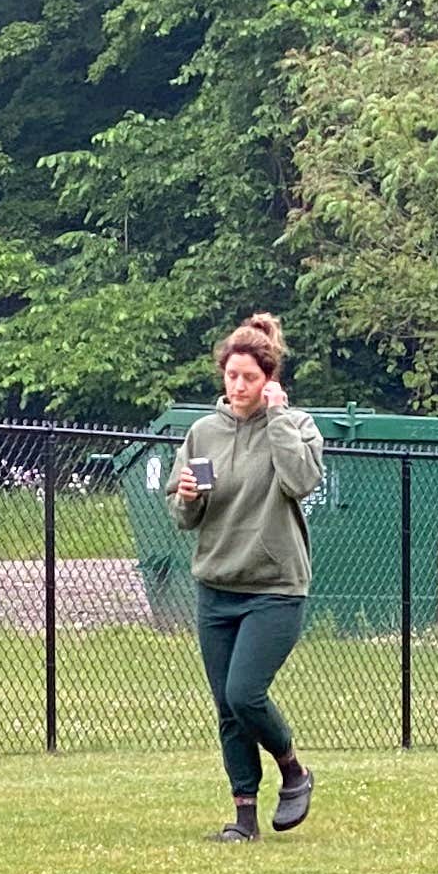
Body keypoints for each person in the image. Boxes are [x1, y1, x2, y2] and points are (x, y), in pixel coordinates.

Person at [170, 313, 323, 840]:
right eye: (231, 376)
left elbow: (300, 481)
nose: (238, 387)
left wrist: (278, 420)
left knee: (245, 693)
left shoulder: (296, 425)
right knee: (227, 709)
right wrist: (187, 498)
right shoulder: (203, 432)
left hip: (275, 589)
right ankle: (243, 821)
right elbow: (184, 514)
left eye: (249, 378)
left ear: (269, 379)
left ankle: (294, 770)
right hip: (216, 587)